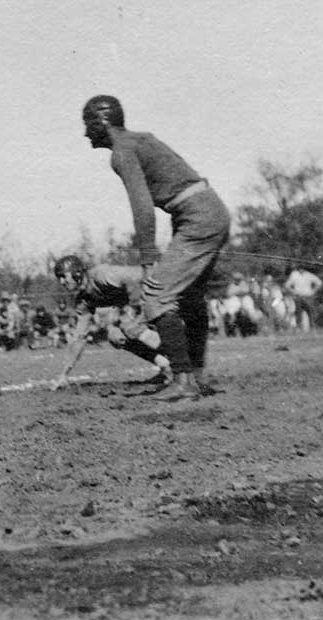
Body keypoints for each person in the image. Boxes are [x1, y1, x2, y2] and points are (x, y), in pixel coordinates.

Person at [80, 96, 230, 401]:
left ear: (101, 123)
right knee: (189, 299)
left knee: (156, 295)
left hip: (196, 216)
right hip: (207, 210)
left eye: (87, 126)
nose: (85, 134)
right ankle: (196, 377)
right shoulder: (141, 139)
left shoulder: (121, 152)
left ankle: (184, 380)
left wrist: (148, 259)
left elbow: (142, 208)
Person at [52, 255, 170, 385]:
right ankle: (166, 365)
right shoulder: (83, 300)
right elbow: (79, 337)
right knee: (115, 336)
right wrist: (64, 374)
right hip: (145, 306)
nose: (62, 282)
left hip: (163, 290)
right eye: (59, 278)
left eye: (63, 276)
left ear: (77, 273)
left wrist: (132, 308)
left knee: (130, 326)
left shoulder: (103, 274)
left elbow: (139, 277)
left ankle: (183, 362)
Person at [283, 265, 322, 332]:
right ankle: (299, 329)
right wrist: (294, 291)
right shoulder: (294, 275)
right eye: (299, 268)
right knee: (298, 313)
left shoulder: (309, 275)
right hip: (298, 296)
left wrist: (313, 291)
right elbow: (287, 285)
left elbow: (319, 283)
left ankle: (313, 328)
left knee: (310, 312)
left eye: (302, 268)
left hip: (308, 296)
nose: (301, 270)